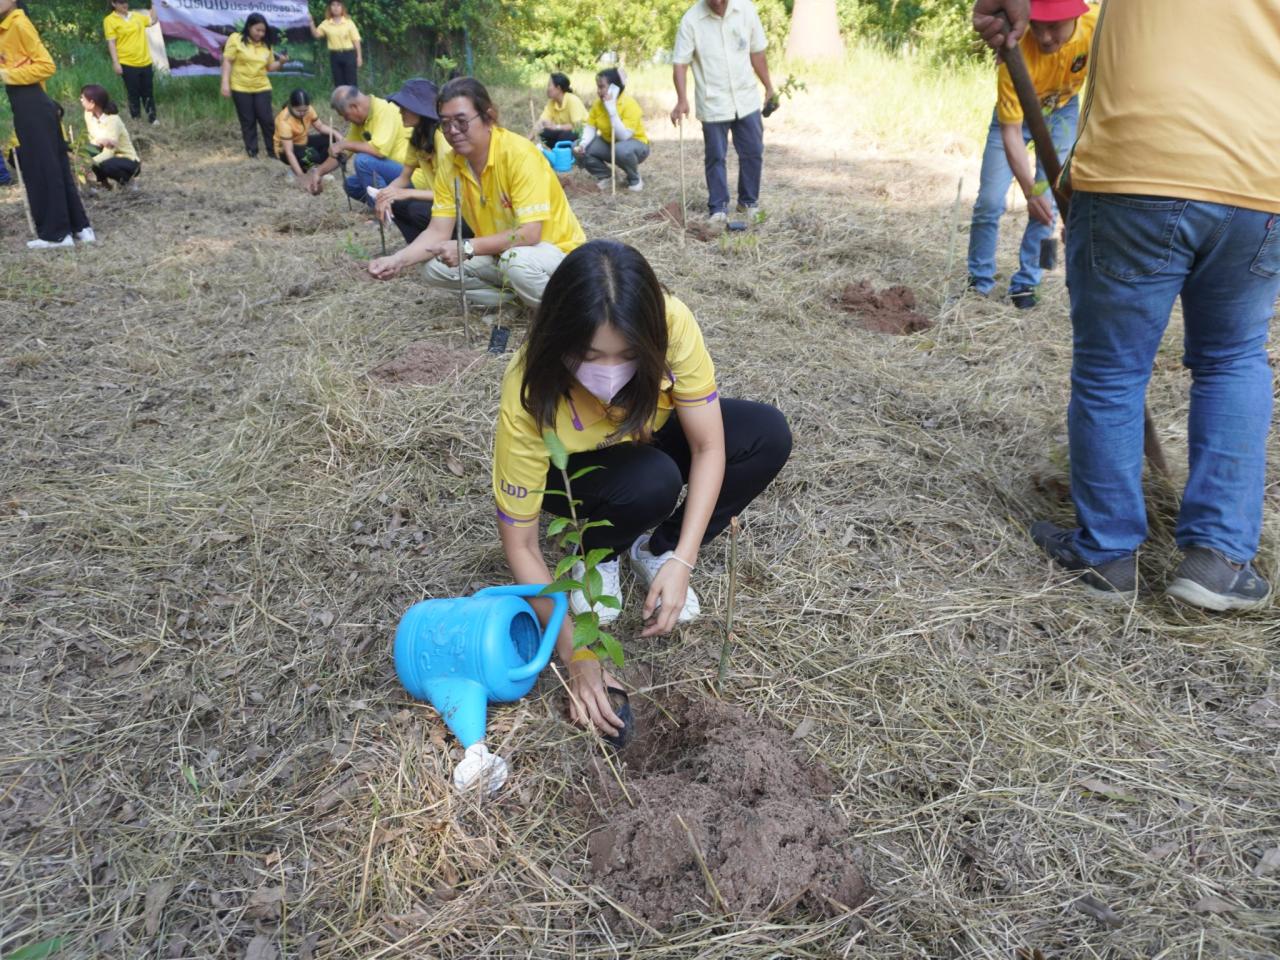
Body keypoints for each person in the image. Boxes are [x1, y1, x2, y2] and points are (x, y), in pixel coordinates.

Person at [974, 0, 1280, 611]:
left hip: (1138, 164)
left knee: (1111, 370)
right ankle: (1218, 558)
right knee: (1233, 358)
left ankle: (1109, 552)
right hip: (1262, 174)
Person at [492, 239, 791, 735]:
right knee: (651, 479)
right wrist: (578, 654)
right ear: (557, 340)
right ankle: (599, 550)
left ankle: (657, 548)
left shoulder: (671, 323)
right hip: (583, 472)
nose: (609, 370)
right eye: (588, 355)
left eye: (629, 355)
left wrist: (683, 560)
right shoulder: (529, 391)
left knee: (765, 435)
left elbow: (709, 448)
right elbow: (520, 544)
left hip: (649, 434)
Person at [367, 77, 586, 309]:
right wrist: (397, 260)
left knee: (516, 263)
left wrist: (466, 248)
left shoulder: (519, 154)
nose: (453, 131)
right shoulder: (451, 165)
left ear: (488, 117)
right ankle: (513, 302)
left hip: (554, 254)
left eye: (461, 122)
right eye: (445, 123)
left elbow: (530, 234)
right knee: (433, 269)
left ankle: (565, 314)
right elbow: (437, 231)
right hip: (503, 255)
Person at [967, 0, 1096, 309]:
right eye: (1038, 25)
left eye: (1054, 26)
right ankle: (979, 282)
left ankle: (1028, 282)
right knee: (990, 201)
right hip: (1014, 121)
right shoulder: (1015, 49)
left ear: (1076, 15)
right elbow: (1011, 132)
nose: (1045, 37)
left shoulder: (1095, 27)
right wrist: (1028, 190)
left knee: (1048, 206)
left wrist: (1039, 193)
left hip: (1061, 114)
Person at [0, 0, 94, 248]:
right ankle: (80, 227)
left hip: (33, 104)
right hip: (29, 105)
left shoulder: (19, 23)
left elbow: (46, 65)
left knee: (42, 168)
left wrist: (6, 75)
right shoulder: (6, 27)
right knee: (56, 166)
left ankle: (56, 234)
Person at [671, 0, 775, 224]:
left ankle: (748, 202)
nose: (716, 2)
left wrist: (768, 86)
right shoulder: (691, 20)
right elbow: (680, 63)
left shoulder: (745, 9)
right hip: (713, 102)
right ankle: (718, 208)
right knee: (716, 157)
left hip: (746, 98)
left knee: (753, 152)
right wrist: (682, 99)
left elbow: (757, 53)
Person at [369, 77, 473, 246]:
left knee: (416, 209)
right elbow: (403, 178)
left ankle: (447, 247)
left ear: (419, 110)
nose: (400, 112)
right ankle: (419, 249)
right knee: (398, 203)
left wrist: (406, 193)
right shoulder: (418, 138)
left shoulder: (444, 140)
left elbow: (454, 195)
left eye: (404, 108)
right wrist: (386, 194)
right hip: (441, 202)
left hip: (464, 210)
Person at [305, 85, 409, 206]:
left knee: (363, 161)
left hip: (409, 175)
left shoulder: (384, 111)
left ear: (354, 107)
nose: (345, 119)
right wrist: (318, 172)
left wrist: (344, 144)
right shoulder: (360, 121)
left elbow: (378, 151)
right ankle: (396, 206)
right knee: (351, 185)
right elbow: (345, 152)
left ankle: (381, 211)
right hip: (392, 173)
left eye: (345, 115)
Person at [220, 12, 289, 159]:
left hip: (262, 87)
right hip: (240, 87)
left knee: (267, 120)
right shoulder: (236, 39)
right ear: (249, 27)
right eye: (257, 30)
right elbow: (227, 61)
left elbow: (270, 67)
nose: (260, 33)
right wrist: (225, 83)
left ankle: (273, 152)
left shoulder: (266, 45)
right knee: (248, 121)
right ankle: (252, 152)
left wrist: (281, 62)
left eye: (263, 31)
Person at [574, 67, 649, 193]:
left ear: (615, 88)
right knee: (575, 145)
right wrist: (582, 144)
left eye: (602, 87)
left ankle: (634, 179)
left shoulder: (630, 104)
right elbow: (590, 128)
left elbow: (623, 136)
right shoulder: (598, 104)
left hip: (634, 146)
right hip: (610, 144)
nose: (598, 91)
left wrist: (612, 110)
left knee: (620, 149)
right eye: (597, 87)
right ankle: (607, 177)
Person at [103, 0, 158, 125]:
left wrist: (155, 4)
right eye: (121, 2)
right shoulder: (109, 20)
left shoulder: (136, 16)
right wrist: (115, 63)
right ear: (113, 4)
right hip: (127, 62)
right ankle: (136, 120)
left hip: (145, 61)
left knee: (148, 91)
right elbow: (111, 42)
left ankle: (152, 118)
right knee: (133, 93)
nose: (125, 5)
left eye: (126, 2)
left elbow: (152, 21)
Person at [80, 83, 140, 189]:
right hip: (105, 152)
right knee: (88, 151)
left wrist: (89, 163)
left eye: (82, 98)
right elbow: (92, 139)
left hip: (127, 159)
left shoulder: (113, 120)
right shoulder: (88, 115)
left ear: (92, 103)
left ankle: (127, 182)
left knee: (104, 164)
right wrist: (97, 143)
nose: (80, 100)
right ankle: (104, 184)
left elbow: (109, 152)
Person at [273, 89, 338, 180]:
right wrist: (301, 177)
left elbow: (320, 126)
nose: (303, 113)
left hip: (302, 141)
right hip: (285, 150)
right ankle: (296, 171)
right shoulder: (284, 121)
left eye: (305, 110)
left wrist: (336, 134)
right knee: (312, 155)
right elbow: (289, 152)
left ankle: (320, 170)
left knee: (331, 138)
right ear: (291, 106)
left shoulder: (309, 109)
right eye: (299, 111)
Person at [308, 1, 361, 88]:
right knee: (339, 83)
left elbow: (356, 40)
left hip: (349, 55)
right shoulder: (326, 23)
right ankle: (341, 101)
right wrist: (311, 22)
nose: (336, 8)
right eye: (333, 5)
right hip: (335, 56)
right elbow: (316, 35)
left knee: (351, 82)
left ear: (342, 8)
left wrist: (359, 57)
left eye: (338, 5)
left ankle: (353, 101)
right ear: (330, 8)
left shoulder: (348, 22)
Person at [534, 72, 586, 149]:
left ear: (558, 88)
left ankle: (562, 154)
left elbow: (577, 126)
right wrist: (526, 140)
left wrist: (556, 127)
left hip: (583, 132)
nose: (547, 89)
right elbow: (540, 123)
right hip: (564, 132)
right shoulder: (552, 103)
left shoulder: (572, 100)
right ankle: (558, 152)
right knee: (544, 132)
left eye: (549, 85)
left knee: (563, 136)